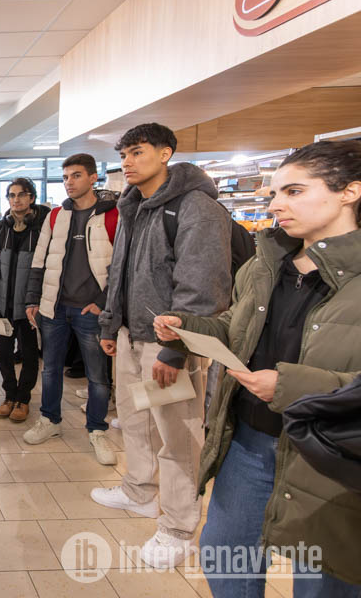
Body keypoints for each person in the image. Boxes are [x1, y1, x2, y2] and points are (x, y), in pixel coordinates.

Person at [154, 140, 361, 597]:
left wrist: (289, 385)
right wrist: (187, 327)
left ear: (349, 191)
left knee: (325, 580)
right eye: (273, 194)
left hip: (332, 457)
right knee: (226, 558)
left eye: (293, 191)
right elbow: (238, 327)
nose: (276, 205)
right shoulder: (268, 262)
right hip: (249, 440)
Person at [94, 122, 232, 569]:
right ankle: (139, 492)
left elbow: (202, 286)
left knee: (177, 435)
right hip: (131, 336)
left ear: (166, 152)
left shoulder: (196, 208)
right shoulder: (134, 205)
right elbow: (120, 273)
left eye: (137, 152)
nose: (128, 163)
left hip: (167, 344)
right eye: (124, 155)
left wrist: (176, 350)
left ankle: (177, 526)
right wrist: (111, 326)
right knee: (135, 421)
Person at [23, 154, 119, 465]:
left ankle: (97, 429)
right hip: (55, 308)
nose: (69, 182)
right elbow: (39, 261)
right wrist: (32, 299)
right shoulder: (55, 216)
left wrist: (103, 303)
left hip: (90, 311)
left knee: (97, 375)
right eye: (65, 177)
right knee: (50, 369)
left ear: (93, 178)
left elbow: (121, 266)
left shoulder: (112, 215)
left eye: (76, 176)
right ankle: (50, 420)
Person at [0, 178, 50, 423]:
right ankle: (9, 395)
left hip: (31, 307)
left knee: (30, 354)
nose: (16, 199)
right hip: (3, 307)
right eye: (11, 195)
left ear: (31, 198)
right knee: (4, 354)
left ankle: (23, 398)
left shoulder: (43, 229)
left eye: (22, 195)